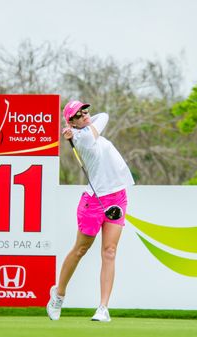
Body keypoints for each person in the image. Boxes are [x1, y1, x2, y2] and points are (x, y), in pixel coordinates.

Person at [46, 100, 134, 322]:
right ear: (72, 122)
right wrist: (74, 131)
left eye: (85, 111)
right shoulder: (84, 138)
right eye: (78, 114)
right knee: (80, 249)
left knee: (110, 251)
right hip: (93, 202)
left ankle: (103, 308)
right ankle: (58, 294)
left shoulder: (82, 130)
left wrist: (73, 127)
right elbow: (102, 117)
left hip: (117, 197)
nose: (85, 115)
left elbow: (102, 114)